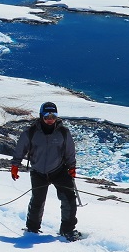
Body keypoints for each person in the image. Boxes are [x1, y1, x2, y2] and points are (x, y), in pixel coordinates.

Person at [10, 101, 81, 240]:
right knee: (37, 200)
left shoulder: (63, 132)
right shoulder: (30, 132)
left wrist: (72, 167)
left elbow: (69, 151)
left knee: (69, 199)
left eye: (53, 116)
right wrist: (15, 165)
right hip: (38, 172)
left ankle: (67, 230)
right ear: (41, 116)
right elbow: (20, 149)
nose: (50, 120)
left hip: (59, 170)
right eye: (47, 116)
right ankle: (32, 229)